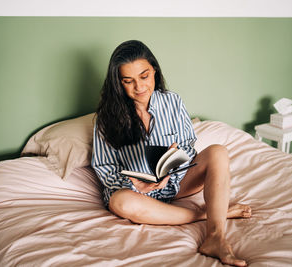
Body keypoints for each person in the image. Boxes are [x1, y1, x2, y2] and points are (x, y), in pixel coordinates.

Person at [92, 40, 251, 267]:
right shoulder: (104, 119)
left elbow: (188, 144)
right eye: (129, 81)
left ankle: (215, 237)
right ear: (119, 83)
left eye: (144, 76)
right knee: (120, 203)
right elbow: (104, 167)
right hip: (137, 194)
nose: (139, 87)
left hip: (176, 182)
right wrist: (135, 183)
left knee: (218, 152)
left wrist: (175, 160)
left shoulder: (172, 101)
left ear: (154, 70)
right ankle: (206, 214)